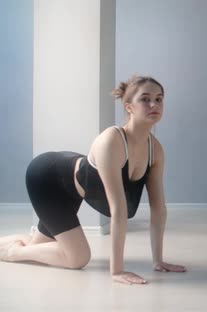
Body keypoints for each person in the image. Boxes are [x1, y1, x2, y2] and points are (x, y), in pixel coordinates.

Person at [0, 75, 186, 285]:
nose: (154, 104)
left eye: (159, 99)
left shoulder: (155, 150)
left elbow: (158, 209)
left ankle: (16, 247)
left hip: (71, 185)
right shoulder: (112, 140)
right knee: (77, 258)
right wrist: (117, 271)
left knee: (39, 245)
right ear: (129, 107)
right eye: (145, 99)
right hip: (48, 180)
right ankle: (13, 253)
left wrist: (158, 260)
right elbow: (119, 210)